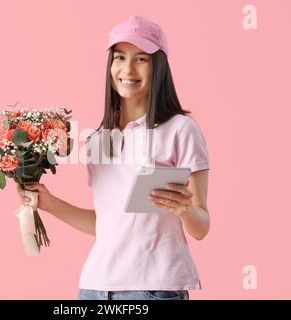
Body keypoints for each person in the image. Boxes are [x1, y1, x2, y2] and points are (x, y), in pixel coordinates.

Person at [16, 15, 210, 300]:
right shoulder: (97, 140)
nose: (127, 68)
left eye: (141, 59)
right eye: (119, 57)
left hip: (154, 287)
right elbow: (105, 225)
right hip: (95, 287)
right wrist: (48, 203)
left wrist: (185, 210)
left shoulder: (181, 130)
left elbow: (201, 226)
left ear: (159, 67)